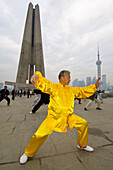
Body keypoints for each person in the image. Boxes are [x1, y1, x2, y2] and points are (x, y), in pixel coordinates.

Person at [20, 70, 101, 164]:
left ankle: (82, 145)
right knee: (39, 135)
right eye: (68, 77)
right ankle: (28, 153)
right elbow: (44, 83)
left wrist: (94, 86)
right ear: (62, 78)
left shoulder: (71, 89)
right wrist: (37, 75)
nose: (70, 79)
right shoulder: (53, 87)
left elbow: (82, 91)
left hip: (69, 116)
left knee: (83, 124)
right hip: (54, 118)